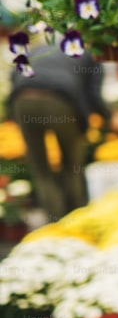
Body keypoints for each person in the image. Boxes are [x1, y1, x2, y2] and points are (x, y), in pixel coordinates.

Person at [6, 44, 112, 223]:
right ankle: (75, 221)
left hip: (22, 99)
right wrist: (107, 119)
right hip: (60, 100)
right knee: (72, 165)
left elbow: (15, 72)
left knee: (40, 168)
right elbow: (94, 96)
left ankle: (54, 222)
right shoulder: (90, 53)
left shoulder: (41, 47)